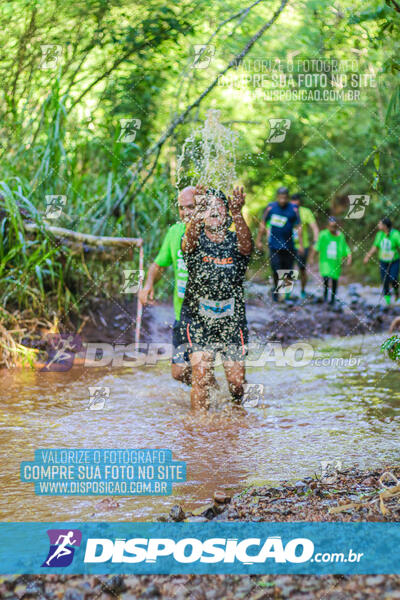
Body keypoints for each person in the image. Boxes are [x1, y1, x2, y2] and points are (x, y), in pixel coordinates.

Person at [179, 186, 252, 410]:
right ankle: (199, 429)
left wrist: (239, 213)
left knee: (237, 383)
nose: (213, 210)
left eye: (218, 205)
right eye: (207, 206)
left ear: (228, 212)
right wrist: (198, 211)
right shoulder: (195, 238)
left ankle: (238, 412)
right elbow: (187, 244)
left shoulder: (236, 239)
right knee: (200, 377)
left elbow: (247, 248)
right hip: (198, 319)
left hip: (232, 320)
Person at [139, 186, 196, 384]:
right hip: (182, 315)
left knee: (200, 368)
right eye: (181, 207)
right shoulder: (175, 231)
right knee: (179, 373)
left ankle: (206, 409)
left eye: (191, 206)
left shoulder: (211, 233)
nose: (185, 212)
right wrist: (148, 285)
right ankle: (212, 392)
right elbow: (159, 263)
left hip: (205, 317)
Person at [256, 187, 303, 301]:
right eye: (280, 197)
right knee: (276, 269)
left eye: (285, 198)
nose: (282, 200)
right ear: (277, 197)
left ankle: (286, 295)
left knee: (288, 270)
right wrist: (258, 240)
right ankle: (276, 291)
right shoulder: (271, 207)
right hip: (274, 245)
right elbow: (263, 224)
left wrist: (300, 244)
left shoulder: (294, 208)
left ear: (288, 197)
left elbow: (298, 227)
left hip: (289, 245)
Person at [313, 217, 352, 305]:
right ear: (328, 226)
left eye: (334, 227)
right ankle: (325, 296)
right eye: (331, 226)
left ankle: (333, 299)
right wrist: (312, 257)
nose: (332, 229)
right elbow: (317, 246)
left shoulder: (340, 236)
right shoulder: (323, 234)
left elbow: (345, 247)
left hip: (335, 262)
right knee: (326, 278)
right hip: (325, 261)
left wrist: (349, 256)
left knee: (335, 280)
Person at [363, 217, 400, 305]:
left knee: (393, 278)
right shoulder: (379, 234)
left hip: (394, 261)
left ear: (385, 225)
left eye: (380, 224)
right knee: (385, 279)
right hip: (383, 261)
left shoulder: (395, 234)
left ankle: (397, 294)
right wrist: (368, 256)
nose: (378, 225)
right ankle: (387, 298)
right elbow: (375, 246)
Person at [290, 193, 319, 298]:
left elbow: (314, 228)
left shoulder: (305, 212)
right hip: (289, 245)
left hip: (303, 246)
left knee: (302, 269)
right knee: (287, 269)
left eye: (296, 202)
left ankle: (302, 290)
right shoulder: (287, 210)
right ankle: (286, 293)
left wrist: (316, 241)